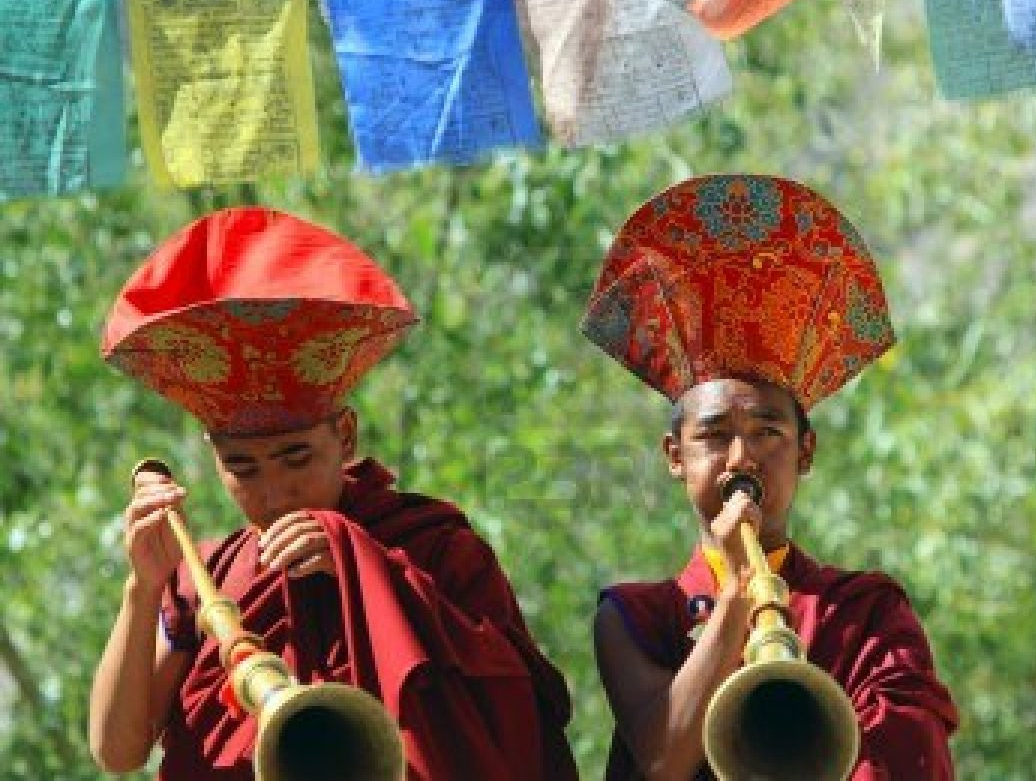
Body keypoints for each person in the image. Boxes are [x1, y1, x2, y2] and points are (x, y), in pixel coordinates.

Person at [88, 207, 579, 780]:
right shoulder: (209, 573)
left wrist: (361, 565)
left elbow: (512, 712)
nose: (273, 492)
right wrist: (142, 587)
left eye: (295, 458)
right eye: (242, 467)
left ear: (344, 436)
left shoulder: (433, 547)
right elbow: (117, 753)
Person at [580, 174, 958, 780]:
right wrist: (738, 597)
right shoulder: (636, 615)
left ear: (805, 453)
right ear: (675, 456)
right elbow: (660, 760)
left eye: (766, 434)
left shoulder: (865, 614)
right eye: (713, 436)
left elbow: (906, 757)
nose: (739, 460)